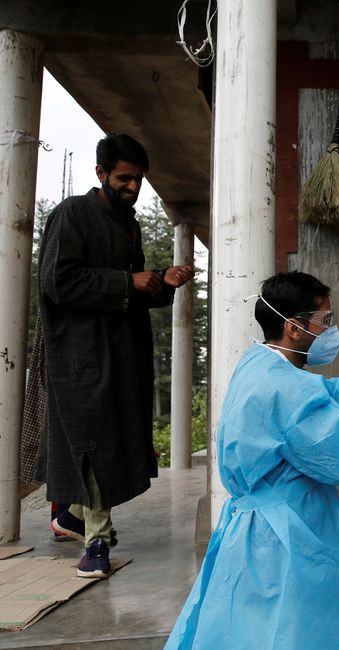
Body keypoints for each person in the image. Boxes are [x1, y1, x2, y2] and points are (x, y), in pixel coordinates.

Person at [165, 272, 339, 649]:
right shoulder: (286, 387)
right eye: (324, 321)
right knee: (285, 634)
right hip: (285, 541)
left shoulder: (262, 364)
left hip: (258, 529)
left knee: (246, 630)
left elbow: (331, 398)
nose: (331, 329)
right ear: (294, 328)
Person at [38, 134, 194, 577]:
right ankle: (97, 542)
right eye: (124, 178)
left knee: (111, 441)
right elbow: (58, 283)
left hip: (121, 353)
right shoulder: (71, 214)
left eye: (138, 180)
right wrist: (128, 282)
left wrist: (162, 281)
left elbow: (134, 287)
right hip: (80, 357)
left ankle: (70, 515)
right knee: (92, 444)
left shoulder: (129, 224)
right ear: (100, 173)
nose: (132, 188)